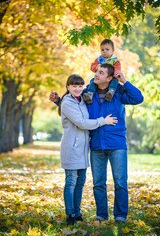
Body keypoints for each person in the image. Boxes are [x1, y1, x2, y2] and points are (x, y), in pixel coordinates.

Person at [50, 65, 143, 224]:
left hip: (117, 144)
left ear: (109, 78)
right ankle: (101, 216)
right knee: (98, 183)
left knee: (120, 182)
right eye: (96, 71)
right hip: (96, 145)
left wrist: (125, 81)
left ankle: (120, 216)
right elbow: (74, 106)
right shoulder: (88, 92)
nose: (96, 74)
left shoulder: (119, 92)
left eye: (101, 72)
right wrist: (59, 101)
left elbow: (138, 98)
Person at [50, 74, 118, 226]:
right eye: (74, 86)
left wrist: (57, 101)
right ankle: (70, 214)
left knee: (80, 183)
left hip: (83, 149)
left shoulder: (82, 100)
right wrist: (103, 121)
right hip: (71, 148)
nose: (77, 88)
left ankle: (77, 212)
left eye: (80, 86)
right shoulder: (68, 101)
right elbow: (81, 122)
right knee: (71, 182)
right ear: (67, 87)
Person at [83, 39, 121, 103]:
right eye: (102, 50)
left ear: (113, 50)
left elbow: (117, 68)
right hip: (101, 77)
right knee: (92, 81)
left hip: (111, 76)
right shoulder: (99, 59)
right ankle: (90, 94)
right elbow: (92, 67)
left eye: (107, 49)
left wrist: (115, 74)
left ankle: (111, 92)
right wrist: (96, 67)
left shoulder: (115, 60)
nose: (104, 51)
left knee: (115, 81)